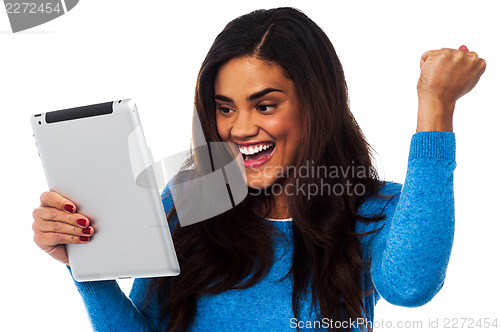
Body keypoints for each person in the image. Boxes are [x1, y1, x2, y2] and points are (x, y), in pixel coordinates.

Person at [31, 7, 486, 332]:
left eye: (265, 105)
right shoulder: (188, 200)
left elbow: (411, 287)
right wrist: (85, 265)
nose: (240, 128)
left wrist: (435, 109)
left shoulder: (375, 209)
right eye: (224, 108)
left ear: (317, 105)